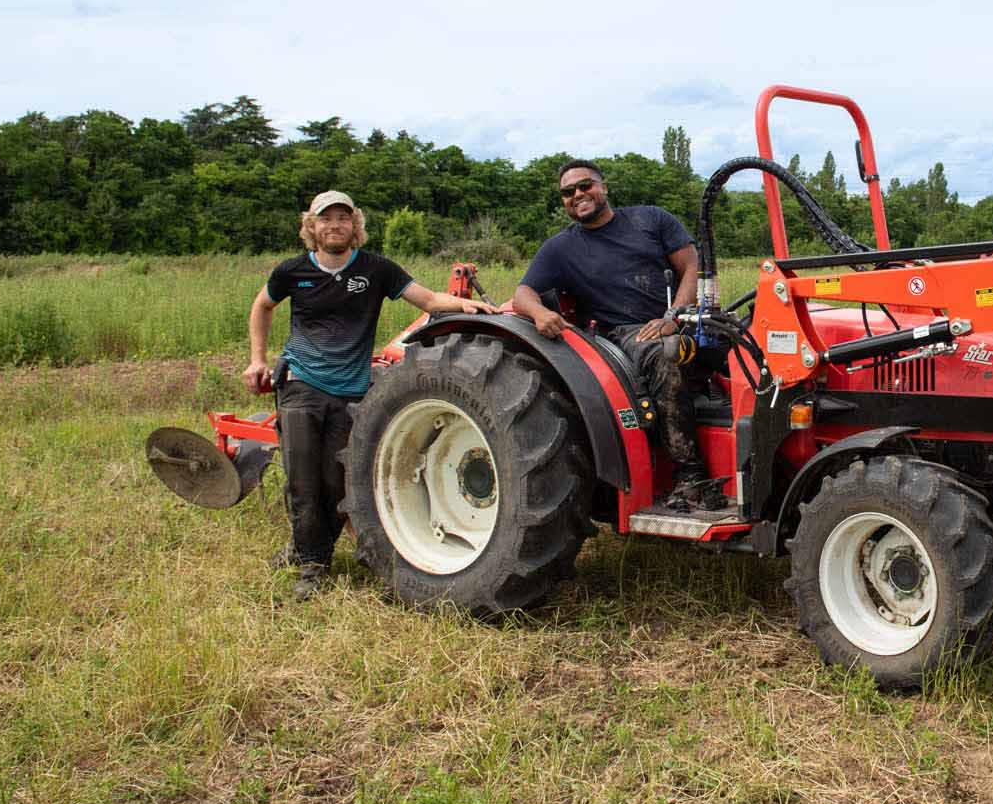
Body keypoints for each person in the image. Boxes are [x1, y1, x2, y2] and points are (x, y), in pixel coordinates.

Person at [243, 189, 494, 600]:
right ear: (312, 227)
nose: (335, 225)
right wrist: (257, 359)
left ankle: (308, 547)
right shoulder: (291, 272)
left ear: (354, 226)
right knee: (303, 478)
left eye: (343, 218)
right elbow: (262, 306)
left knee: (336, 479)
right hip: (302, 384)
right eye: (326, 219)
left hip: (352, 389)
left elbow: (429, 300)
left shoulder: (376, 270)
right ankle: (311, 564)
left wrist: (475, 309)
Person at [511, 160, 726, 512]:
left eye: (585, 186)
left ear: (603, 187)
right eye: (568, 192)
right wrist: (539, 313)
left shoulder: (651, 220)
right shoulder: (560, 249)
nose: (578, 195)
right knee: (666, 352)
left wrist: (674, 316)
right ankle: (690, 476)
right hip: (622, 336)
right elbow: (523, 294)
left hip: (676, 317)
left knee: (748, 339)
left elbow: (691, 266)